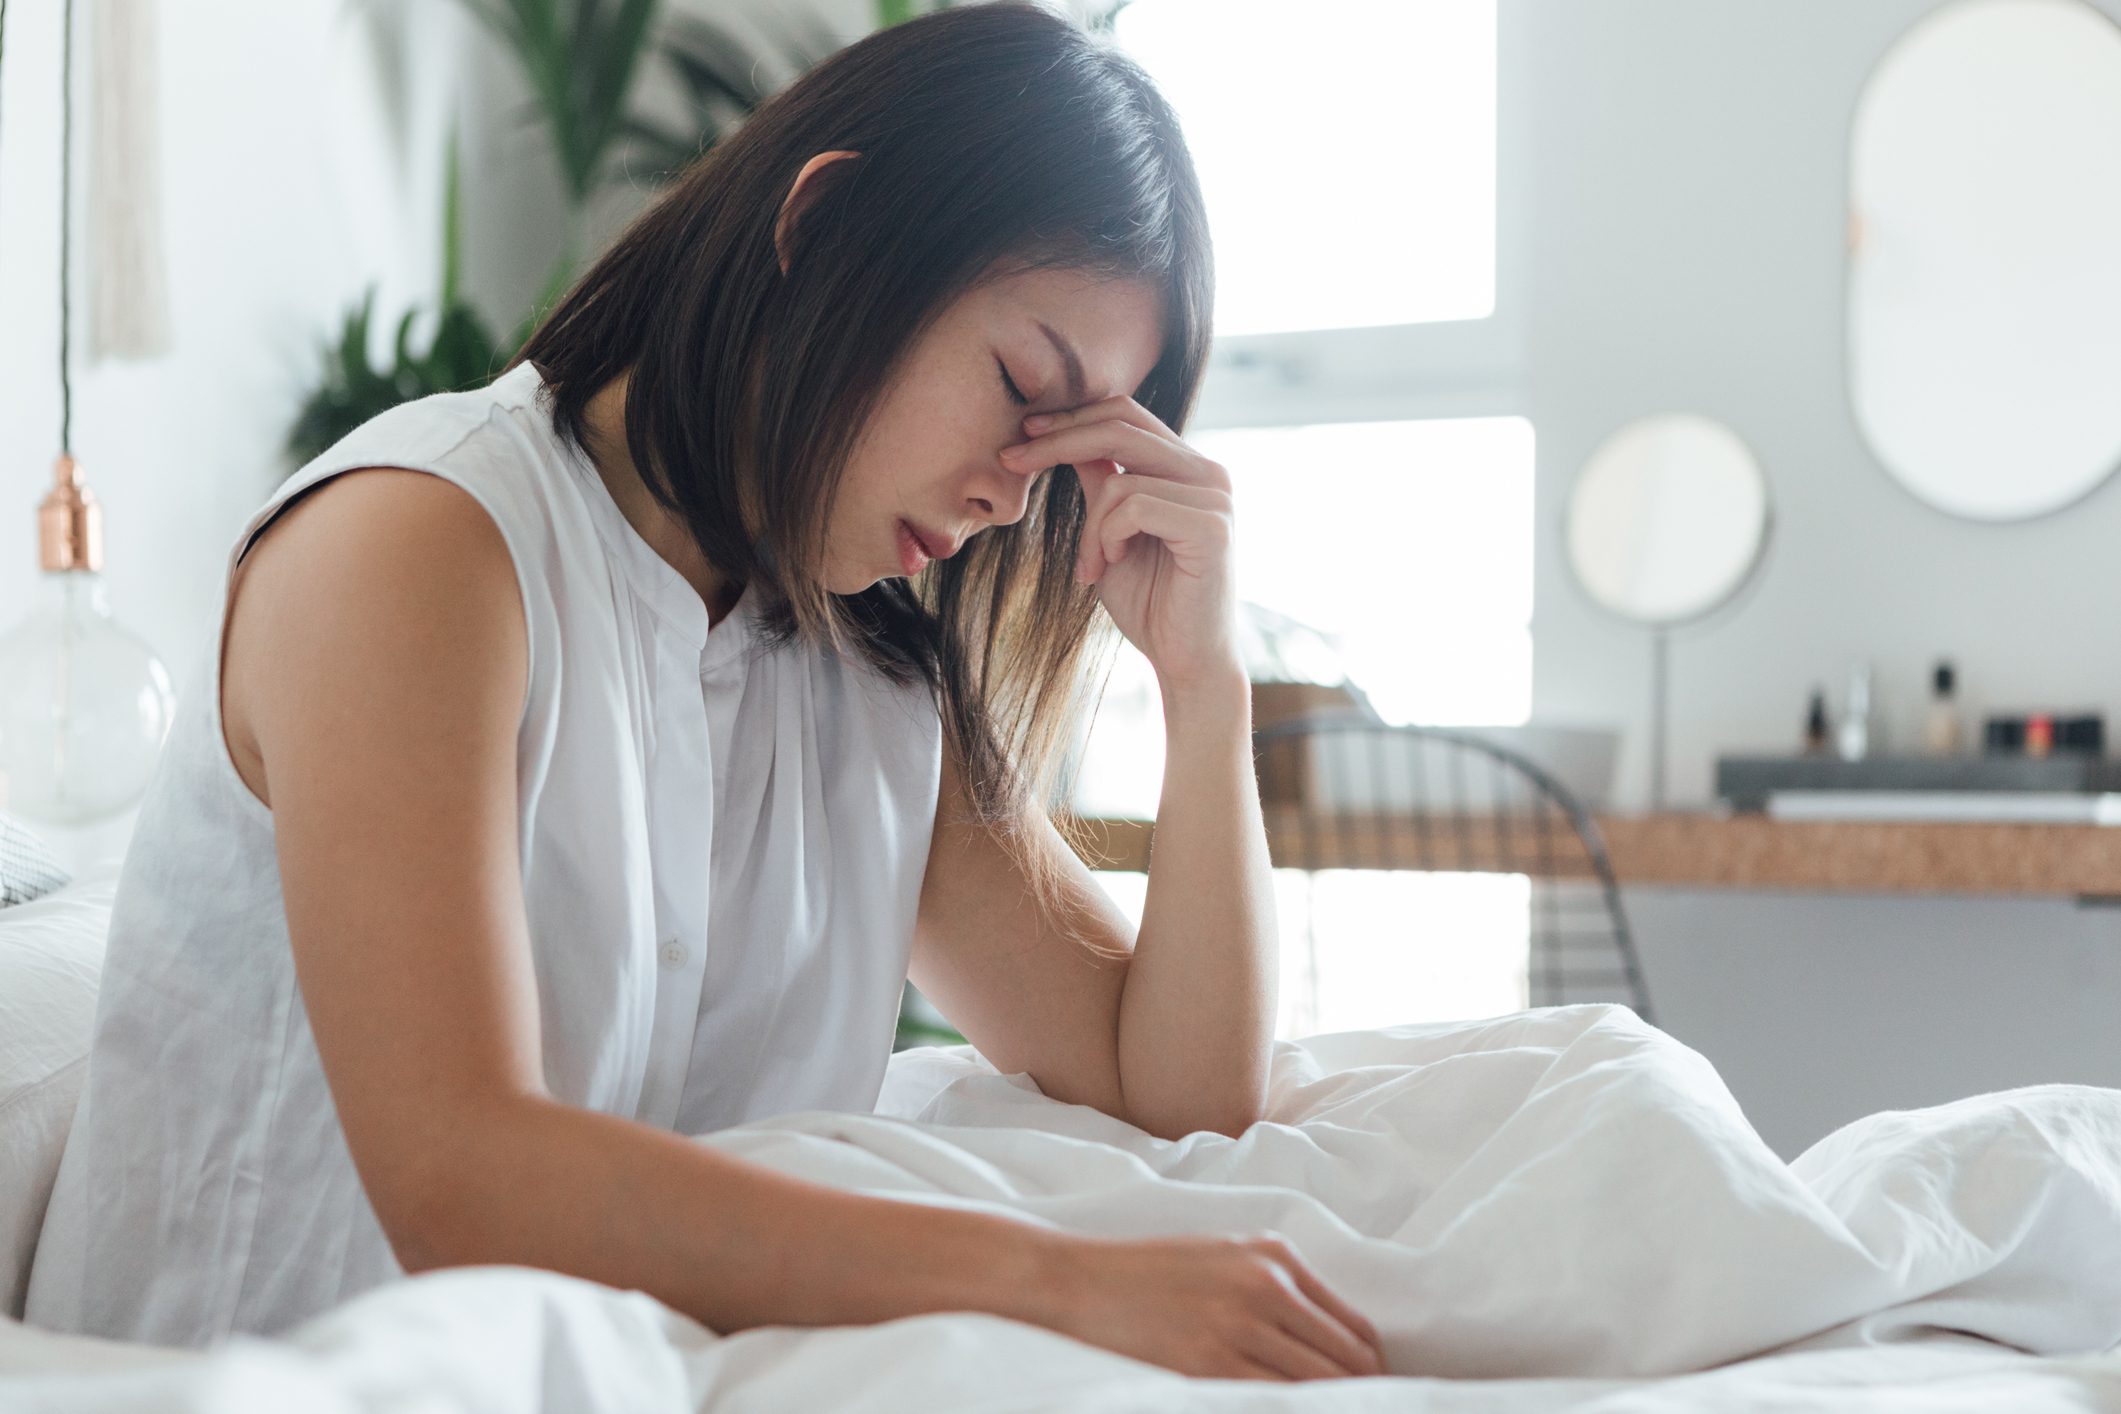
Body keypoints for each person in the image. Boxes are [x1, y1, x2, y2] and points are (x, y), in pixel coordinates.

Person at [25, 2, 1385, 1383]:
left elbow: (1177, 1089)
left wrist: (1202, 685)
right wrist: (1056, 1283)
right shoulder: (420, 544)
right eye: (1019, 388)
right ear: (824, 226)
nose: (1007, 492)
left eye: (1062, 449)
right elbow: (462, 1178)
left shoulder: (865, 671)